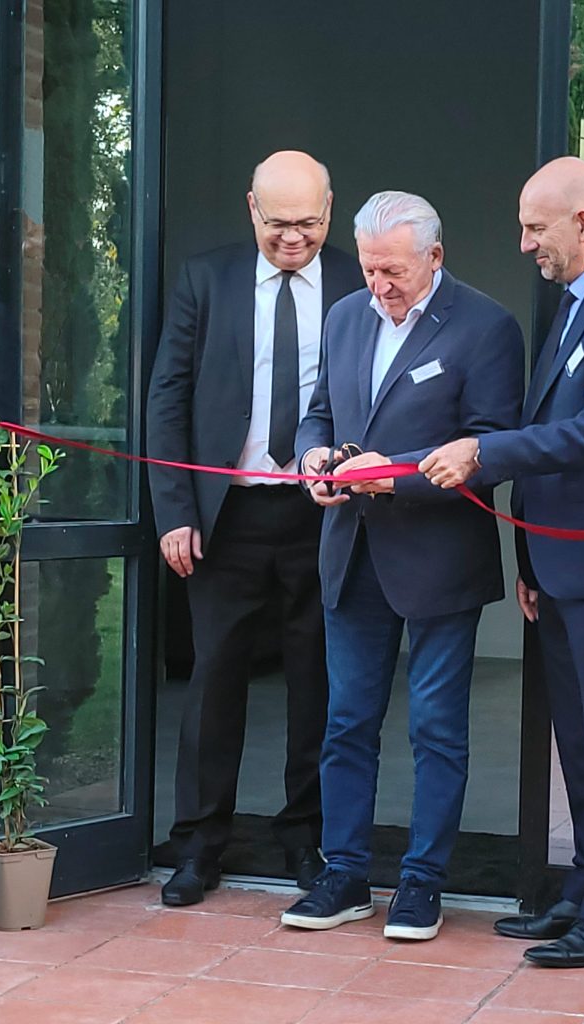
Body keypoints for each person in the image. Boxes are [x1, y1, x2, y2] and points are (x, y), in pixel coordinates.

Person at [419, 157, 584, 966]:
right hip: (564, 562)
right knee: (578, 740)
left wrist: (482, 452)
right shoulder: (574, 303)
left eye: (536, 227)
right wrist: (530, 559)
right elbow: (555, 426)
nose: (525, 243)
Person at [279, 190, 524, 940]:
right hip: (351, 552)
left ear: (435, 257)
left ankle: (423, 883)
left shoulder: (487, 326)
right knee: (346, 722)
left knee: (436, 729)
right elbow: (319, 412)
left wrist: (397, 476)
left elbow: (491, 446)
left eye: (394, 271)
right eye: (369, 269)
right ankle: (345, 874)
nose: (379, 285)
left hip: (439, 559)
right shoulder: (345, 317)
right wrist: (314, 458)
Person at [147, 150, 363, 906]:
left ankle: (305, 838)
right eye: (278, 223)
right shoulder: (205, 279)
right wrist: (175, 512)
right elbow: (167, 398)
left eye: (308, 222)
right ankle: (199, 844)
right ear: (251, 210)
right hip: (225, 518)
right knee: (214, 681)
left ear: (329, 212)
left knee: (316, 681)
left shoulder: (357, 282)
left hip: (321, 514)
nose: (293, 237)